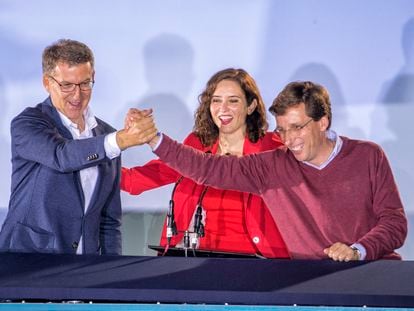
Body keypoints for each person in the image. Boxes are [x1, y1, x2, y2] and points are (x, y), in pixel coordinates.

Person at [137, 80, 407, 261]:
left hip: (371, 271)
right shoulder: (273, 165)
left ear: (323, 122)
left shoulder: (367, 155)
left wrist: (358, 250)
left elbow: (395, 224)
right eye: (282, 129)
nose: (289, 139)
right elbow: (208, 168)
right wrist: (154, 139)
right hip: (311, 284)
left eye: (297, 127)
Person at [0, 39, 156, 255]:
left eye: (85, 84)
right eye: (67, 85)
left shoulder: (105, 135)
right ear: (47, 82)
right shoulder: (27, 123)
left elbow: (109, 221)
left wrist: (112, 273)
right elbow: (61, 156)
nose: (77, 94)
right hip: (30, 261)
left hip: (85, 267)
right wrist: (121, 140)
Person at [122, 68, 290, 258]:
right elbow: (133, 181)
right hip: (201, 261)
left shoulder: (272, 147)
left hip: (262, 262)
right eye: (216, 100)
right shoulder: (197, 145)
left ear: (250, 106)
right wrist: (106, 147)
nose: (223, 109)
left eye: (233, 101)